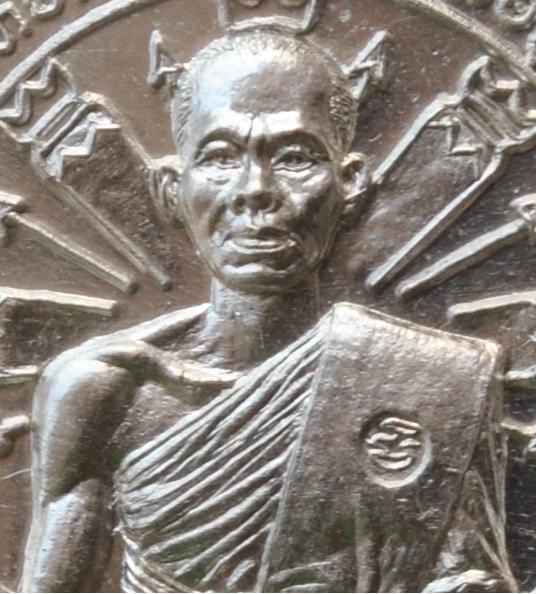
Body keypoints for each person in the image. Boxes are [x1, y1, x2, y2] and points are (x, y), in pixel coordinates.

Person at [21, 29, 517, 593]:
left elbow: (475, 579)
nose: (256, 189)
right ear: (171, 189)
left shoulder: (432, 380)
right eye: (220, 157)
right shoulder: (103, 389)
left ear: (350, 184)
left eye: (295, 158)